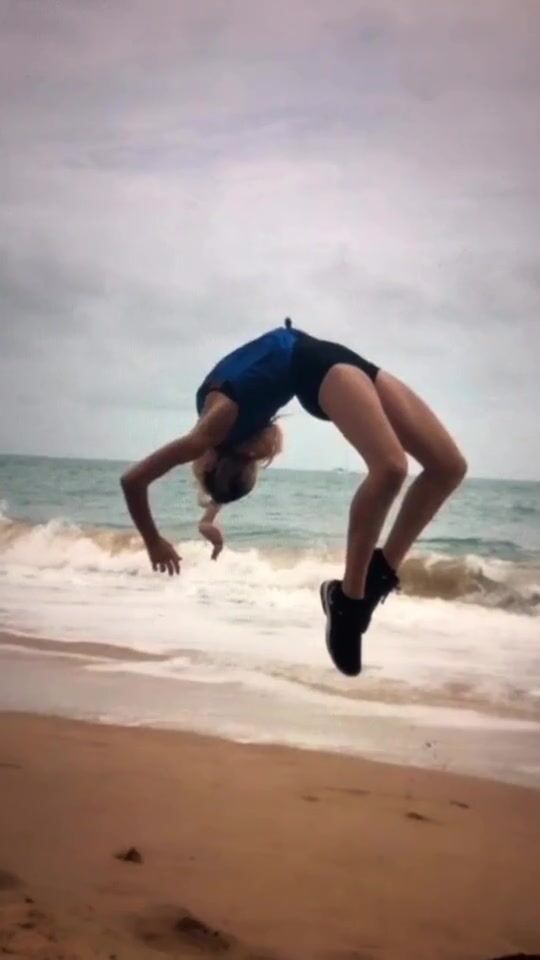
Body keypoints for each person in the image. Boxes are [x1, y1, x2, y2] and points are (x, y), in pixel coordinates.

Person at [121, 319, 467, 676]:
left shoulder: (208, 432)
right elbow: (221, 482)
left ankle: (377, 577)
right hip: (319, 370)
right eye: (251, 462)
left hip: (331, 359)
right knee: (390, 468)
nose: (255, 456)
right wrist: (202, 516)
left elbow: (132, 480)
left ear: (215, 459)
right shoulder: (223, 431)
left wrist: (153, 541)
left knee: (448, 467)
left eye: (246, 461)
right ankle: (349, 601)